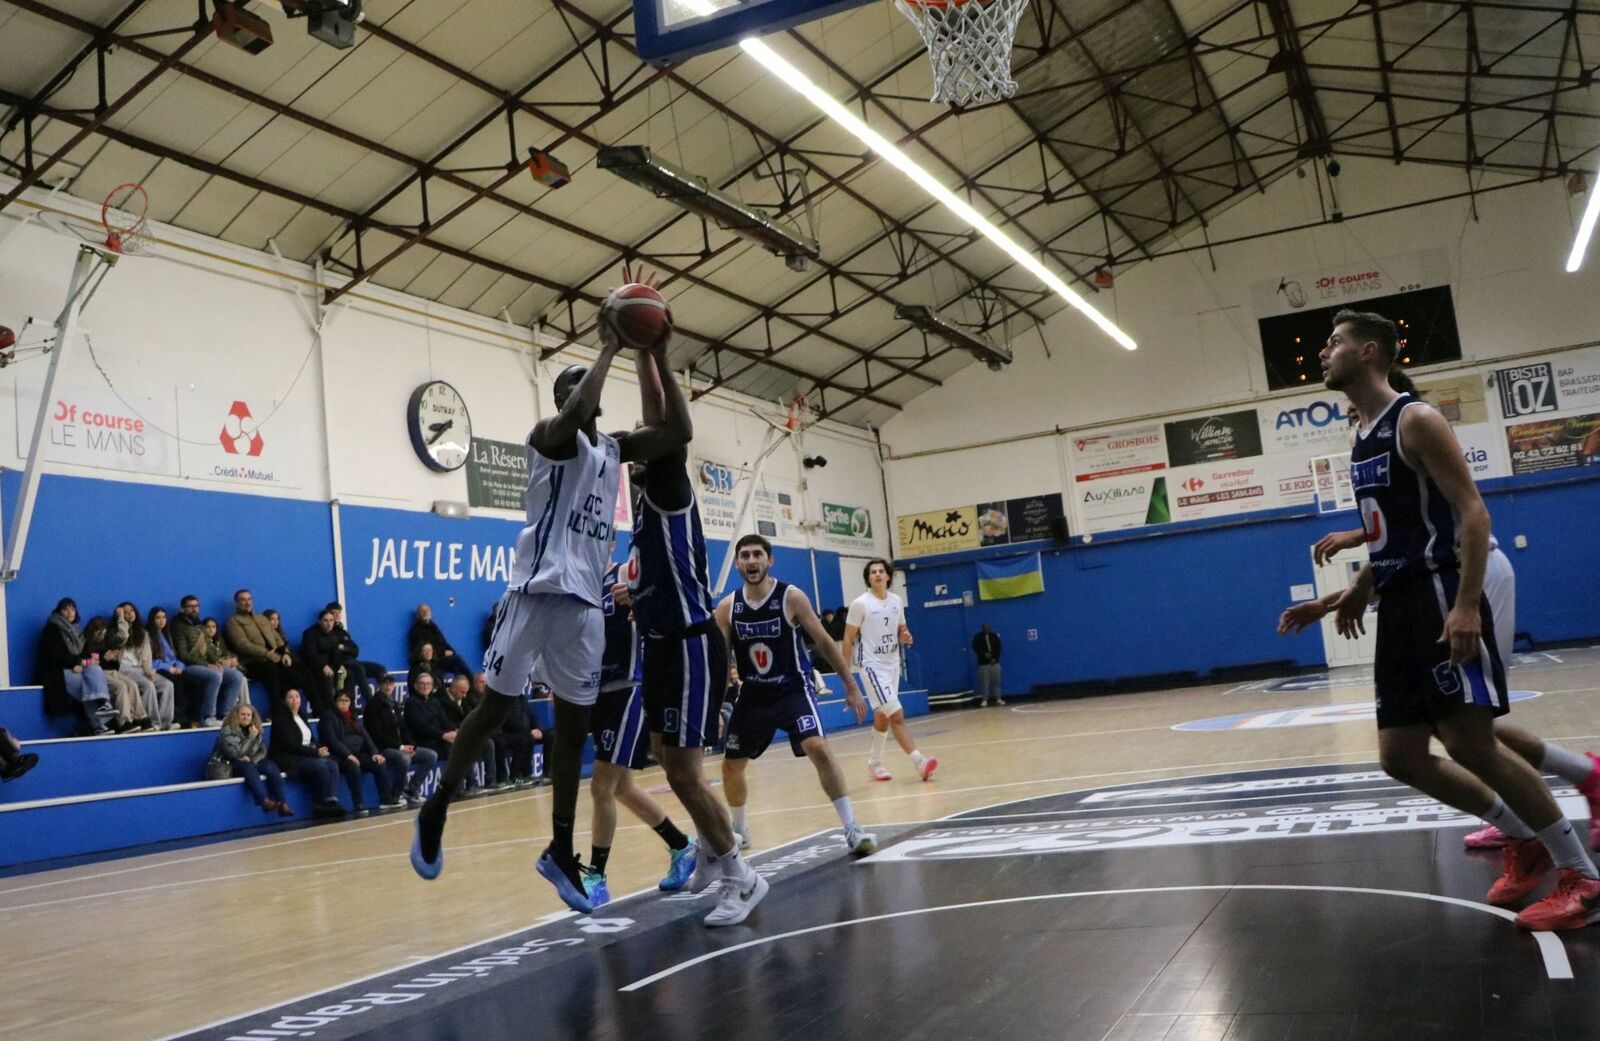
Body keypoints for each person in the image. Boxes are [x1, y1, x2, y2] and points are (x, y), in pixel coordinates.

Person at [1277, 308, 1598, 932]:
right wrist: (1344, 597)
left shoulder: (1415, 420)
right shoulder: (1361, 437)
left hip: (1437, 592)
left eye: (1334, 343)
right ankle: (1520, 835)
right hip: (1398, 601)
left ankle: (1581, 876)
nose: (1323, 353)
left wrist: (1466, 603)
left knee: (1470, 741)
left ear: (1370, 352)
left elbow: (1472, 512)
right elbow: (1392, 536)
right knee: (1400, 756)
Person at [412, 293, 721, 921]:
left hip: (584, 605)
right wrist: (608, 345)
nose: (585, 397)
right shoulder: (547, 437)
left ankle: (560, 849)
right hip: (533, 593)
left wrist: (657, 353)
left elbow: (678, 434)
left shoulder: (613, 448)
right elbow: (577, 410)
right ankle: (438, 804)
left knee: (574, 728)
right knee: (494, 707)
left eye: (590, 390)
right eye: (574, 389)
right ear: (561, 398)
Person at [623, 339, 769, 927]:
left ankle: (741, 874)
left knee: (684, 771)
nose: (634, 447)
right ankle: (711, 851)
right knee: (666, 757)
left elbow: (671, 427)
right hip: (660, 646)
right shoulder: (641, 506)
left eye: (642, 440)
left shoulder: (668, 485)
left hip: (688, 643)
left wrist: (649, 354)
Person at [716, 534, 876, 861]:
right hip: (753, 695)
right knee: (731, 766)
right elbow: (719, 662)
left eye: (757, 554)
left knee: (818, 747)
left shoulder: (791, 596)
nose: (751, 561)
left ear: (770, 560)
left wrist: (851, 685)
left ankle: (852, 827)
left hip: (793, 690)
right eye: (745, 555)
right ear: (737, 564)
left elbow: (825, 642)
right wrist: (715, 706)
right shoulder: (728, 607)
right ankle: (740, 830)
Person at [581, 560, 699, 908]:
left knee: (601, 786)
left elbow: (670, 606)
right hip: (598, 692)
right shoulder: (582, 584)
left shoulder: (625, 572)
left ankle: (596, 877)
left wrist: (637, 599)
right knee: (622, 788)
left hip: (629, 686)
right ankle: (681, 846)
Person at [846, 559, 937, 783]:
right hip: (871, 665)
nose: (877, 574)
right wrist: (846, 677)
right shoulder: (860, 604)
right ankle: (920, 762)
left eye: (881, 571)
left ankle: (874, 763)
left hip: (892, 664)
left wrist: (905, 636)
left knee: (882, 715)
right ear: (868, 579)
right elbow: (847, 640)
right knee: (896, 714)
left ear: (888, 576)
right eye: (873, 572)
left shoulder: (896, 601)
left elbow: (902, 629)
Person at [37, 598, 115, 735]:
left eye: (72, 609)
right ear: (59, 612)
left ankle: (104, 704)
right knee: (85, 686)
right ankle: (98, 725)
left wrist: (82, 663)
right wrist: (77, 663)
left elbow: (85, 654)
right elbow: (56, 655)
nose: (69, 613)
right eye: (65, 609)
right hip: (58, 671)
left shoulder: (77, 631)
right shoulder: (51, 630)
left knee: (95, 668)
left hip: (77, 667)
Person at [322, 690, 406, 814]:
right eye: (340, 700)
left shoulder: (353, 716)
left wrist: (374, 753)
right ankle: (358, 803)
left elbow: (365, 736)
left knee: (379, 763)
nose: (344, 704)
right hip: (338, 755)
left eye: (346, 701)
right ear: (335, 702)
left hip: (356, 753)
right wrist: (347, 754)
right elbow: (332, 740)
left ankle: (386, 799)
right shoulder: (328, 716)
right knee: (353, 766)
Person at [268, 689, 345, 818]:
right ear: (285, 701)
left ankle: (330, 801)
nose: (295, 699)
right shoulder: (281, 718)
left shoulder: (302, 716)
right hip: (289, 757)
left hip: (307, 753)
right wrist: (315, 752)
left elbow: (310, 738)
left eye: (297, 696)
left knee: (332, 765)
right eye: (291, 697)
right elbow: (289, 745)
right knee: (320, 767)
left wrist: (320, 749)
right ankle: (319, 804)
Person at [172, 595, 247, 726]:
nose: (194, 609)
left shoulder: (200, 626)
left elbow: (209, 650)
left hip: (205, 665)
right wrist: (207, 664)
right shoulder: (178, 627)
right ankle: (209, 716)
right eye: (190, 606)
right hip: (187, 666)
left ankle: (227, 715)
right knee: (215, 675)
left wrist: (216, 662)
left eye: (196, 606)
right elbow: (183, 655)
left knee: (236, 676)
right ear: (182, 609)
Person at [364, 672, 435, 809]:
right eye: (385, 683)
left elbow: (402, 727)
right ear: (379, 686)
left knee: (430, 755)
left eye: (390, 683)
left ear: (394, 686)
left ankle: (411, 790)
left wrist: (410, 746)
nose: (388, 686)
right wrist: (401, 747)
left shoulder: (393, 703)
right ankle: (396, 795)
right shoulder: (373, 705)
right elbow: (377, 734)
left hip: (400, 746)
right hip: (383, 748)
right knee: (404, 759)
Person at [212, 702, 292, 816]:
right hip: (230, 762)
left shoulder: (255, 730)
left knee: (270, 766)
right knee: (249, 768)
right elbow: (235, 753)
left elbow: (262, 751)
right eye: (242, 714)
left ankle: (283, 803)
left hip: (250, 760)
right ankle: (263, 800)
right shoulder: (227, 730)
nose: (246, 717)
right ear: (236, 715)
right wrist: (250, 738)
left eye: (248, 715)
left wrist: (253, 760)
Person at [225, 589, 297, 703]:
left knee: (296, 666)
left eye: (249, 599)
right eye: (243, 600)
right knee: (272, 670)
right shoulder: (233, 621)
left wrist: (285, 653)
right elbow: (242, 645)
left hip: (275, 657)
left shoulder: (261, 618)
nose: (247, 603)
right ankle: (277, 708)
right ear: (237, 603)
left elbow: (277, 637)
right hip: (252, 662)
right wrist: (266, 653)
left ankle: (299, 706)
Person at [115, 602, 176, 730]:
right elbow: (122, 636)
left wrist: (149, 671)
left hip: (140, 668)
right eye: (125, 612)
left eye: (132, 610)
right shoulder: (116, 632)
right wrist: (121, 620)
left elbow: (146, 657)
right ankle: (153, 723)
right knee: (148, 685)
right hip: (124, 668)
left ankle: (165, 723)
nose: (130, 614)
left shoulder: (143, 633)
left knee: (167, 685)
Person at [84, 616, 148, 732]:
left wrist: (114, 659)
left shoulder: (105, 643)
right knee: (121, 686)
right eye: (100, 633)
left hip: (111, 671)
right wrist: (104, 659)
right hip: (98, 674)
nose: (102, 636)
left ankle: (140, 717)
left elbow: (114, 666)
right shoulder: (87, 645)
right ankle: (124, 721)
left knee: (132, 684)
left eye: (104, 633)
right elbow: (93, 664)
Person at [440, 674, 502, 793]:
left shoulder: (465, 699)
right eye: (462, 692)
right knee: (463, 747)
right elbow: (442, 720)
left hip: (464, 732)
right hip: (449, 735)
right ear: (453, 689)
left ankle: (490, 781)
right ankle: (470, 784)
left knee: (488, 743)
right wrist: (456, 730)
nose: (464, 695)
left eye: (466, 692)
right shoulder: (441, 700)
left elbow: (470, 717)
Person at [147, 606, 207, 728]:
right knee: (177, 685)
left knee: (196, 683)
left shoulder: (167, 635)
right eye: (158, 618)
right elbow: (149, 660)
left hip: (174, 667)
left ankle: (194, 718)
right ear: (152, 620)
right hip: (159, 668)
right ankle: (179, 719)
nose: (161, 620)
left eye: (164, 617)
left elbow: (174, 656)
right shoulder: (148, 636)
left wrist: (179, 666)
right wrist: (169, 668)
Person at [325, 602, 387, 699]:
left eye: (339, 613)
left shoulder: (343, 632)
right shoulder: (327, 632)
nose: (337, 615)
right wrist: (345, 649)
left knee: (380, 669)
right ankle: (370, 701)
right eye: (334, 613)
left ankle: (384, 698)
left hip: (352, 661)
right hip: (339, 665)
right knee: (358, 668)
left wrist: (343, 647)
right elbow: (334, 652)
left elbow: (355, 651)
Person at [299, 608, 347, 715]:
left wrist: (340, 666)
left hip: (330, 665)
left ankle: (345, 707)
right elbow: (310, 654)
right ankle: (329, 709)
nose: (329, 624)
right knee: (326, 676)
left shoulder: (334, 634)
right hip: (312, 666)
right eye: (326, 620)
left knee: (346, 674)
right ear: (319, 621)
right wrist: (323, 666)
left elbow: (336, 654)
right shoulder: (310, 633)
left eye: (331, 620)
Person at [409, 604, 473, 680]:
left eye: (427, 610)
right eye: (423, 611)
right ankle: (472, 681)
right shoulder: (416, 630)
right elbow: (423, 649)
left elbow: (443, 642)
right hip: (431, 660)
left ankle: (463, 684)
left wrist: (452, 651)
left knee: (456, 666)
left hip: (441, 657)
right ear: (418, 615)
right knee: (456, 660)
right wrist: (443, 652)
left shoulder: (433, 626)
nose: (426, 612)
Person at [403, 671, 453, 759]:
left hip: (438, 739)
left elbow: (444, 721)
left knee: (463, 745)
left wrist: (454, 731)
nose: (425, 687)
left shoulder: (435, 701)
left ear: (432, 686)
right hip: (422, 742)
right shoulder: (411, 703)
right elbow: (422, 726)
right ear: (416, 686)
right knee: (453, 750)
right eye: (422, 684)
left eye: (428, 684)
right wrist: (443, 735)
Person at [972, 622, 1005, 707]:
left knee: (997, 681)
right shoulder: (977, 637)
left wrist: (995, 658)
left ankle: (998, 698)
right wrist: (984, 655)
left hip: (995, 663)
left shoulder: (994, 636)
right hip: (983, 663)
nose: (987, 628)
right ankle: (984, 700)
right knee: (985, 682)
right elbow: (976, 648)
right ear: (982, 628)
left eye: (988, 627)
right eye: (985, 627)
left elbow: (998, 648)